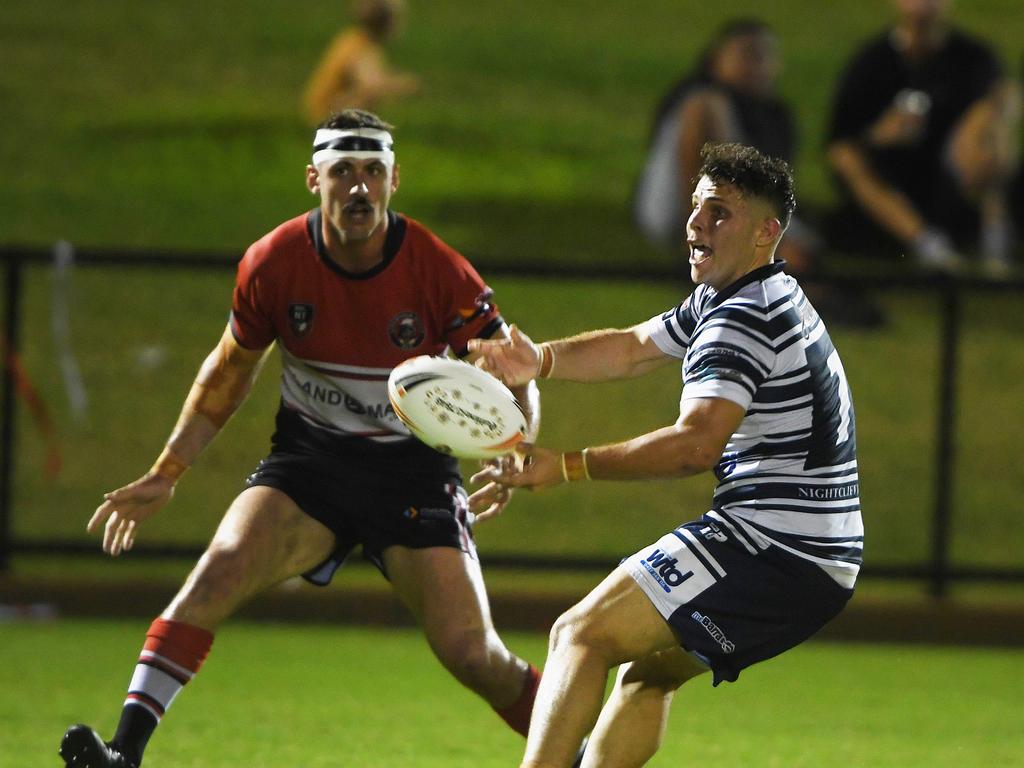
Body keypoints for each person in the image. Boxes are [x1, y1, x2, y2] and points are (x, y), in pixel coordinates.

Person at [58, 109, 542, 768]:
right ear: (313, 177)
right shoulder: (274, 263)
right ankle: (124, 754)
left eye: (373, 170)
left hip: (412, 475)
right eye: (343, 170)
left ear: (395, 179)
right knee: (218, 571)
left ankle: (590, 752)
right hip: (309, 467)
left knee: (473, 656)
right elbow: (228, 373)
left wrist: (519, 448)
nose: (359, 187)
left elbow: (513, 374)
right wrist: (167, 470)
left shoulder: (437, 270)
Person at [473, 143, 863, 768]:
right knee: (647, 672)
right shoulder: (746, 293)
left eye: (720, 212)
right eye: (695, 207)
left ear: (767, 232)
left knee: (580, 633)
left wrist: (568, 465)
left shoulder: (744, 318)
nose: (697, 223)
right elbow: (631, 348)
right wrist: (538, 358)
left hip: (774, 547)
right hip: (819, 558)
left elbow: (694, 445)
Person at [825, 0, 1022, 274]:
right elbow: (841, 139)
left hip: (956, 175)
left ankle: (995, 236)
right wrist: (881, 134)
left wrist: (979, 124)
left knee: (992, 123)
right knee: (848, 158)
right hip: (893, 178)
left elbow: (1003, 97)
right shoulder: (872, 62)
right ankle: (928, 245)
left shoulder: (973, 57)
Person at [633, 19, 816, 276]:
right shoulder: (701, 97)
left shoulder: (776, 115)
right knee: (706, 106)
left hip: (744, 210)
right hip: (677, 209)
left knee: (797, 249)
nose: (758, 65)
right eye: (747, 54)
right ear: (716, 58)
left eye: (765, 56)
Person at [302, 0, 419, 125]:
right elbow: (370, 85)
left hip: (324, 114)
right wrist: (402, 85)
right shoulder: (361, 48)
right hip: (326, 117)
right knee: (369, 94)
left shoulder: (353, 40)